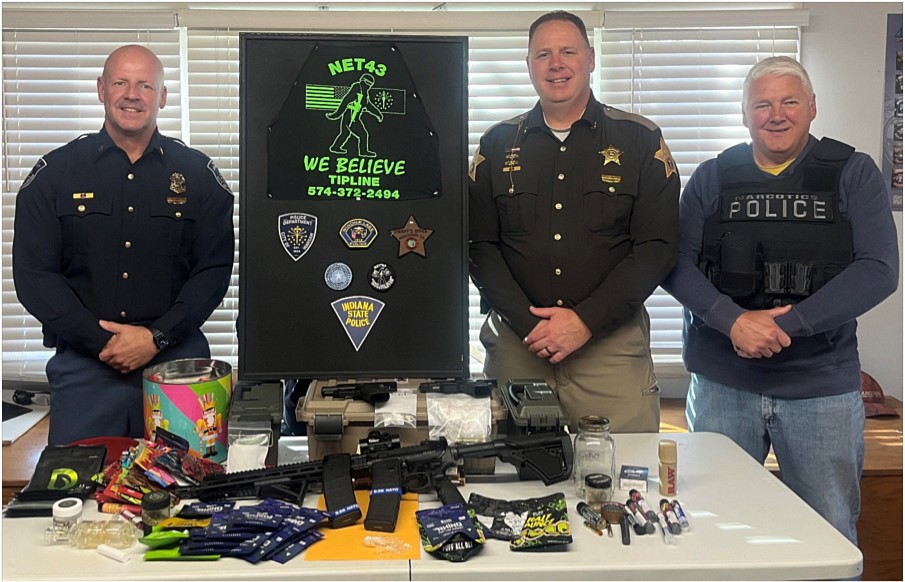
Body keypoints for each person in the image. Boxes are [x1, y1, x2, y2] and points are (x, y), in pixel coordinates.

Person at [662, 56, 899, 544]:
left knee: (827, 536)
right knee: (712, 531)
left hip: (820, 391)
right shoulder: (712, 176)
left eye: (790, 101)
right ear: (744, 114)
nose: (776, 114)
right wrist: (732, 322)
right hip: (722, 386)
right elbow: (674, 263)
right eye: (762, 104)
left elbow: (878, 270)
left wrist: (782, 327)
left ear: (812, 107)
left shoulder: (853, 173)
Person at [12, 44, 235, 446]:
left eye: (145, 85)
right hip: (86, 371)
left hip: (178, 366)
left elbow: (213, 272)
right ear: (101, 89)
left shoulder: (199, 177)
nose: (132, 94)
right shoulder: (54, 175)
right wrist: (107, 344)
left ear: (162, 97)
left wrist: (155, 339)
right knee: (79, 496)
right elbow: (34, 277)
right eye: (120, 82)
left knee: (189, 493)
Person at [468, 11, 680, 432]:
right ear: (529, 65)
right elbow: (478, 247)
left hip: (610, 347)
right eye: (543, 54)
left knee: (621, 476)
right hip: (518, 345)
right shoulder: (495, 144)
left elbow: (657, 248)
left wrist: (584, 322)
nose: (556, 63)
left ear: (591, 58)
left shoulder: (640, 139)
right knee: (516, 476)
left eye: (568, 51)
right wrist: (533, 328)